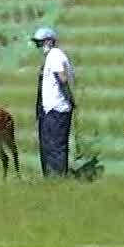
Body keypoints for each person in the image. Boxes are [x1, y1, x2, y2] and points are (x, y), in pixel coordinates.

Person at [31, 26, 75, 177]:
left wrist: (69, 98)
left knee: (56, 146)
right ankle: (50, 177)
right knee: (48, 145)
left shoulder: (55, 54)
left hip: (57, 108)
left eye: (41, 43)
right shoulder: (51, 56)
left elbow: (62, 77)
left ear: (50, 41)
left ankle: (58, 177)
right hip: (49, 109)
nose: (39, 47)